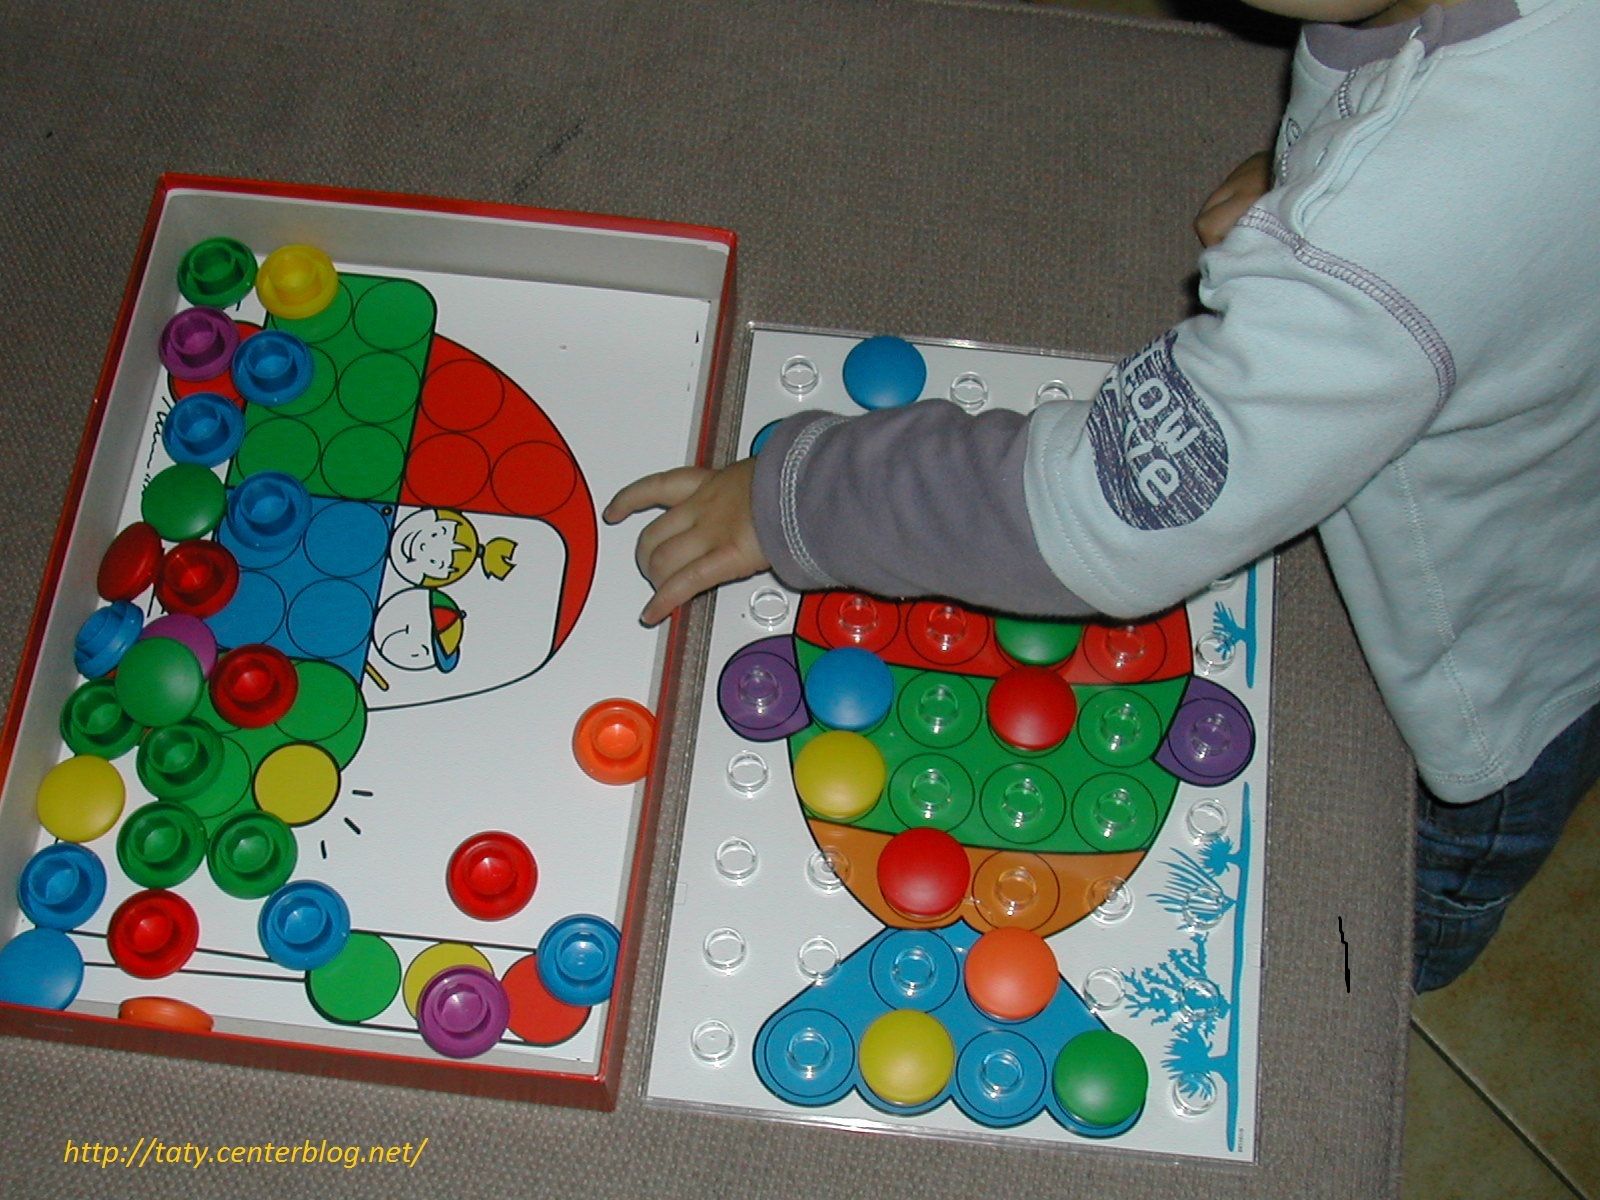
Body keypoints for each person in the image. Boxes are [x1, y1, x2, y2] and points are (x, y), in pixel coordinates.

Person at [605, 0, 1600, 991]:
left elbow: (1100, 516)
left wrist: (803, 496)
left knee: (1434, 877)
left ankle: (1421, 954)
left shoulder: (1400, 230)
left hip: (1517, 654)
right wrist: (1318, 177)